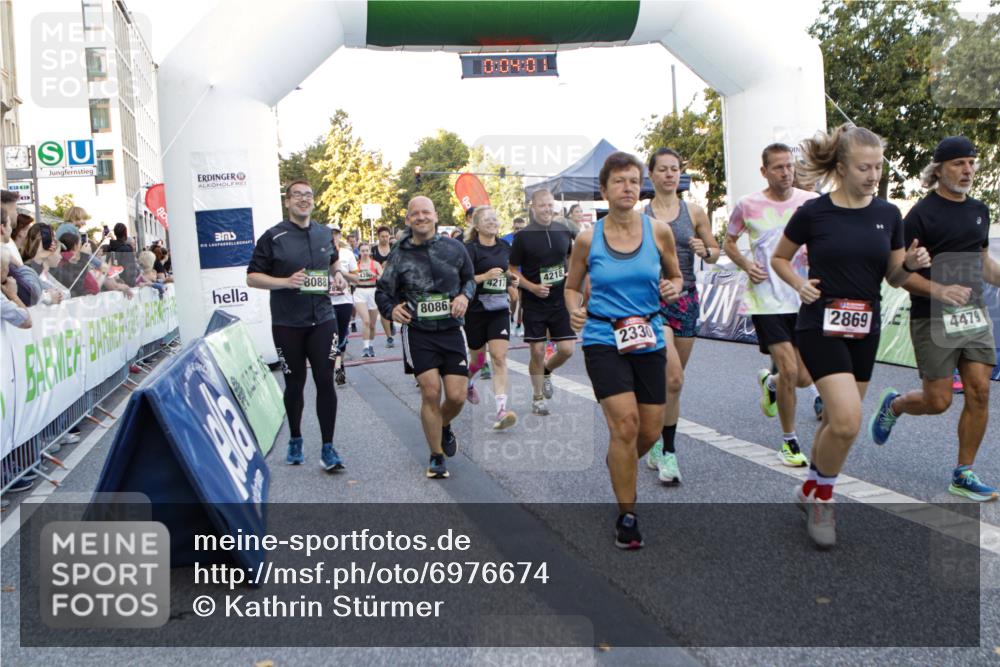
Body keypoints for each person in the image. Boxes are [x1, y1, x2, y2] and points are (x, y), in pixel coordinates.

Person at [771, 123, 930, 549]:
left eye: (878, 167)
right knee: (845, 419)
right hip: (820, 323)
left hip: (865, 327)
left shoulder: (888, 215)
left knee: (835, 424)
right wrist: (798, 284)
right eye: (864, 167)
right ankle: (824, 498)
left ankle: (809, 488)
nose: (874, 175)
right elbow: (780, 258)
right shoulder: (814, 213)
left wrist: (911, 263)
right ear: (841, 167)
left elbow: (894, 278)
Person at [869, 136, 999, 501]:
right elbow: (896, 275)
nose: (968, 170)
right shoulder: (920, 217)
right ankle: (895, 404)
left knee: (980, 391)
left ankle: (963, 473)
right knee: (938, 400)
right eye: (959, 163)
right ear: (938, 169)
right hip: (932, 317)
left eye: (972, 162)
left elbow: (983, 263)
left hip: (972, 314)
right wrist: (940, 291)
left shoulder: (980, 210)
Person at [565, 152, 683, 549]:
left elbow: (675, 275)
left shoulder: (659, 231)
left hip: (648, 335)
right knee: (626, 425)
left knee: (649, 429)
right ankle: (627, 515)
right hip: (603, 337)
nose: (628, 188)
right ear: (604, 189)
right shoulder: (588, 238)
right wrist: (574, 311)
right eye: (619, 181)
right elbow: (570, 286)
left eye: (634, 181)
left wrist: (674, 286)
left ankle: (620, 460)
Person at [724, 143, 822, 467]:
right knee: (791, 369)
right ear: (764, 171)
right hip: (765, 298)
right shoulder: (747, 204)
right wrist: (744, 263)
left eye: (790, 166)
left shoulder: (810, 203)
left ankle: (771, 383)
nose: (786, 172)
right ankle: (789, 442)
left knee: (805, 378)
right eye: (778, 167)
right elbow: (728, 240)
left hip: (802, 296)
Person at [246, 180, 345, 472]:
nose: (304, 199)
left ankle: (328, 448)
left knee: (326, 380)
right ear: (287, 202)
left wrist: (337, 275)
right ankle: (296, 438)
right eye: (297, 195)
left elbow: (333, 262)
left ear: (313, 201)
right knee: (295, 383)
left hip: (323, 319)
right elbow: (252, 277)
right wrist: (284, 282)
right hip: (288, 322)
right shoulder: (273, 237)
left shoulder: (324, 233)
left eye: (308, 195)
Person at [375, 196, 476, 480]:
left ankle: (441, 425)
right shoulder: (399, 254)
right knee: (431, 391)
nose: (420, 217)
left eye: (426, 212)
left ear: (435, 215)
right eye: (415, 214)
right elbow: (383, 291)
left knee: (456, 396)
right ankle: (436, 456)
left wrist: (464, 296)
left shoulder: (454, 248)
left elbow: (469, 279)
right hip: (418, 332)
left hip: (451, 330)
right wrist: (391, 308)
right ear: (408, 219)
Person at [642, 148, 720, 484]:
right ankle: (669, 453)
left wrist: (707, 251)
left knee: (672, 384)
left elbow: (716, 251)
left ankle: (658, 437)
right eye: (663, 169)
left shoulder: (695, 211)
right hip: (653, 304)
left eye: (675, 169)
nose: (670, 174)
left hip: (688, 300)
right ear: (652, 175)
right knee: (673, 377)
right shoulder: (641, 217)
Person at [509, 190, 577, 416]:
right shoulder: (523, 237)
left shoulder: (563, 229)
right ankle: (537, 397)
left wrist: (570, 273)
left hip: (559, 300)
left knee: (567, 350)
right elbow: (511, 270)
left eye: (550, 205)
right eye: (542, 206)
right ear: (533, 207)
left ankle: (547, 370)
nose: (547, 209)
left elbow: (571, 256)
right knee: (537, 351)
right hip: (534, 301)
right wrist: (531, 287)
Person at [463, 206, 520, 430]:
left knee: (498, 357)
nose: (492, 222)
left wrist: (510, 280)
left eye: (495, 219)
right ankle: (468, 381)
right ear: (476, 225)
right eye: (487, 219)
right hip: (475, 310)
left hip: (498, 309)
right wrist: (484, 277)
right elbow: (464, 280)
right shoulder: (469, 249)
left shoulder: (505, 246)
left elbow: (505, 272)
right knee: (477, 360)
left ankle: (501, 410)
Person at [328, 226, 358, 385]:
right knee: (332, 335)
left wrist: (339, 272)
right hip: (326, 302)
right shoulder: (319, 253)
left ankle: (340, 365)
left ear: (340, 235)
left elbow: (357, 278)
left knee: (342, 333)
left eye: (335, 234)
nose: (333, 237)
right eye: (330, 234)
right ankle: (337, 367)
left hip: (345, 300)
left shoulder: (347, 254)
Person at [353, 241, 383, 358]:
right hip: (360, 292)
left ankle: (370, 345)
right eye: (363, 251)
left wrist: (374, 275)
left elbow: (383, 277)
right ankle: (365, 348)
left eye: (367, 250)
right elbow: (351, 278)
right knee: (365, 320)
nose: (365, 253)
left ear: (370, 251)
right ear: (359, 252)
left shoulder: (375, 264)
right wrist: (356, 277)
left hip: (373, 292)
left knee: (372, 324)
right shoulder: (356, 265)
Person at [502, 216, 527, 337]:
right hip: (510, 274)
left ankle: (519, 323)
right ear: (513, 227)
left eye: (522, 229)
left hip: (524, 274)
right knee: (514, 299)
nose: (519, 231)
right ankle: (511, 318)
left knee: (522, 301)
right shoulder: (506, 239)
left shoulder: (528, 239)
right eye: (517, 228)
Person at [371, 225, 396, 348]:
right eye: (382, 236)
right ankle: (389, 337)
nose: (385, 238)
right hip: (380, 284)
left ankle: (392, 322)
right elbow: (368, 265)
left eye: (387, 236)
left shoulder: (394, 248)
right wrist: (379, 267)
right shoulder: (374, 250)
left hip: (395, 283)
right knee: (383, 311)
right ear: (378, 237)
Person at [0, 191, 22, 266]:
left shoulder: (7, 240)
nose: (17, 214)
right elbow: (21, 274)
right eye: (15, 209)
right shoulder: (3, 247)